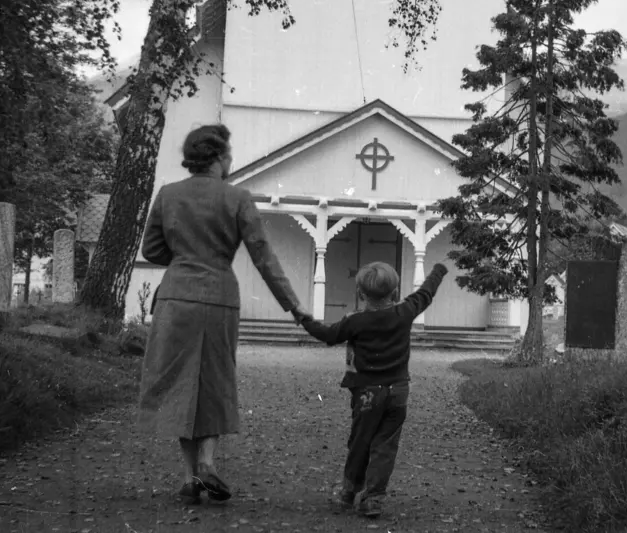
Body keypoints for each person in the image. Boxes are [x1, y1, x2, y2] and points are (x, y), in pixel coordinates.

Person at [138, 123, 309, 505]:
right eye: (228, 154)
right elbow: (263, 257)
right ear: (217, 158)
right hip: (218, 297)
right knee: (215, 380)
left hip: (177, 297)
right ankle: (207, 462)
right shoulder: (238, 198)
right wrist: (293, 305)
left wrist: (185, 257)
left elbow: (152, 250)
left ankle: (189, 477)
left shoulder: (167, 195)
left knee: (180, 382)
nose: (230, 161)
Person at [293, 260, 448, 518]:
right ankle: (374, 498)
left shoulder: (354, 322)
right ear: (395, 292)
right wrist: (438, 272)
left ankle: (347, 494)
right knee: (385, 446)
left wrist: (304, 319)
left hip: (366, 393)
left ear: (360, 294)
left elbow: (327, 334)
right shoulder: (405, 312)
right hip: (398, 392)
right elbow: (425, 293)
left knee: (360, 442)